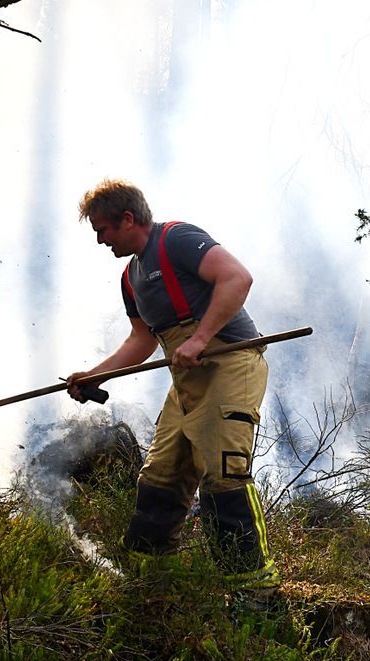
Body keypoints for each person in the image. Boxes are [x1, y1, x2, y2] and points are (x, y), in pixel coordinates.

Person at [66, 179, 279, 599]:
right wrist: (95, 375)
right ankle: (152, 583)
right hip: (187, 380)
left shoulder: (178, 238)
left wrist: (198, 340)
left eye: (103, 229)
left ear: (128, 219)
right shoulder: (131, 277)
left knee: (223, 473)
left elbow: (237, 278)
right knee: (161, 475)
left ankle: (254, 594)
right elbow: (141, 341)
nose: (99, 240)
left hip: (231, 363)